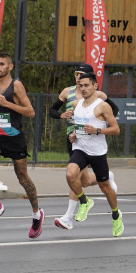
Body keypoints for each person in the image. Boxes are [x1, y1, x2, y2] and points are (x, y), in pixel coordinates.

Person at [0, 53, 44, 238]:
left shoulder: (16, 86)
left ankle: (37, 214)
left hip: (14, 138)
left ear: (10, 67)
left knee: (23, 179)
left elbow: (30, 112)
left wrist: (9, 104)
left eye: (2, 64)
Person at [54, 73, 124, 236]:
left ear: (95, 87)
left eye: (86, 85)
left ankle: (115, 215)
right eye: (81, 86)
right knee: (70, 175)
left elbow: (116, 129)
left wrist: (97, 130)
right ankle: (84, 201)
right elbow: (79, 126)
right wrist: (74, 136)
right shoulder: (77, 104)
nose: (83, 88)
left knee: (105, 188)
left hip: (97, 153)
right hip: (80, 149)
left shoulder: (102, 106)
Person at [48, 62, 119, 193]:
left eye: (81, 75)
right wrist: (61, 115)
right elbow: (52, 111)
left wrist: (102, 124)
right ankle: (107, 176)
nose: (78, 77)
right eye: (76, 74)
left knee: (74, 176)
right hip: (73, 137)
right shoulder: (67, 91)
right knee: (84, 181)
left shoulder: (98, 95)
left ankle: (72, 212)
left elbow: (115, 109)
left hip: (92, 137)